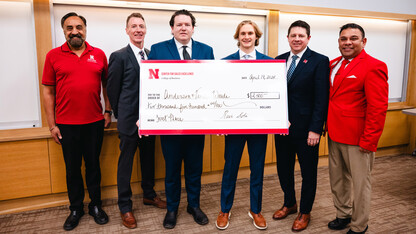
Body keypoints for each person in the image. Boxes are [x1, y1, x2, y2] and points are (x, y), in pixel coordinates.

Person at [42, 12, 111, 231]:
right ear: (63, 31)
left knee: (93, 166)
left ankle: (96, 206)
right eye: (69, 27)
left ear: (85, 29)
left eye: (79, 27)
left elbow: (106, 86)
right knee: (72, 169)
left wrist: (108, 110)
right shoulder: (53, 56)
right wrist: (52, 124)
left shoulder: (99, 54)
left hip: (94, 123)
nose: (74, 31)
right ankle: (75, 209)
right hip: (66, 125)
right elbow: (48, 92)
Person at [148, 9, 214, 229]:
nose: (183, 28)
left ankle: (193, 205)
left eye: (187, 24)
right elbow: (150, 87)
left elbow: (212, 85)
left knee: (195, 168)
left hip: (197, 123)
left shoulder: (207, 50)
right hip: (170, 123)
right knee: (172, 169)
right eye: (179, 24)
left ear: (193, 28)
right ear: (172, 28)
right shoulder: (157, 50)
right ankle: (172, 208)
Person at [107, 13, 167, 229]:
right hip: (129, 121)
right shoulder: (119, 56)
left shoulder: (152, 55)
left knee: (149, 158)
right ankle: (125, 206)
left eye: (141, 26)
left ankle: (149, 195)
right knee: (126, 163)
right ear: (127, 30)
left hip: (151, 120)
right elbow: (112, 90)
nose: (138, 29)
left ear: (146, 29)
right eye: (134, 26)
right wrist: (123, 115)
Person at [327, 23, 388, 234]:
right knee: (338, 180)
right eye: (343, 39)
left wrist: (369, 140)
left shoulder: (374, 66)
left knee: (361, 185)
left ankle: (359, 224)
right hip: (334, 134)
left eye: (353, 38)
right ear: (338, 42)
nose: (347, 42)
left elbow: (378, 108)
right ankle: (343, 214)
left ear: (364, 41)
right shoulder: (334, 64)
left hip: (358, 138)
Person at [215, 20, 273, 231]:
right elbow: (220, 94)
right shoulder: (225, 62)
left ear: (256, 36)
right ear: (237, 37)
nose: (246, 37)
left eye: (250, 33)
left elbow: (273, 95)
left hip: (259, 126)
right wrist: (220, 123)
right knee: (230, 169)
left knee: (257, 169)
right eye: (242, 33)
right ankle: (225, 209)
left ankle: (255, 210)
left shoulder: (269, 63)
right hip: (234, 125)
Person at [272, 20, 329, 231]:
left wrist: (316, 128)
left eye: (301, 36)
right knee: (283, 169)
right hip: (282, 128)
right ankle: (290, 203)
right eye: (293, 35)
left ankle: (305, 212)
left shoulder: (319, 61)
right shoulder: (278, 61)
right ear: (287, 38)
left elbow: (321, 98)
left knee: (308, 173)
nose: (297, 39)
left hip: (307, 131)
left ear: (308, 39)